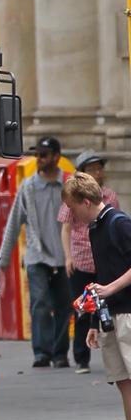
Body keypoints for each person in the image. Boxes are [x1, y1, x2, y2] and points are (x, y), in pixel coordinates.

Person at [60, 172, 131, 420]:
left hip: (128, 312)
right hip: (111, 315)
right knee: (124, 383)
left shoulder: (118, 223)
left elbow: (112, 279)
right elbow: (102, 274)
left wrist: (112, 289)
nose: (72, 216)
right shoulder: (94, 229)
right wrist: (93, 320)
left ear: (87, 202)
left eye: (74, 209)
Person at [0, 136, 71, 368]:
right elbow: (14, 222)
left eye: (43, 155)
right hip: (37, 257)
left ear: (56, 157)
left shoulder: (68, 186)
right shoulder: (28, 187)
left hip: (64, 257)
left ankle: (60, 354)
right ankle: (42, 352)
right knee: (39, 303)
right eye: (37, 154)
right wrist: (3, 258)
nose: (38, 159)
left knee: (63, 305)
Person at [59, 150, 121, 374]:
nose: (96, 172)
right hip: (81, 260)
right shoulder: (73, 200)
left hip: (103, 264)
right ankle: (81, 357)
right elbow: (66, 228)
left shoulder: (110, 202)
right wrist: (68, 256)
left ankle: (108, 347)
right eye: (91, 168)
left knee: (104, 306)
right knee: (82, 308)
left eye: (98, 168)